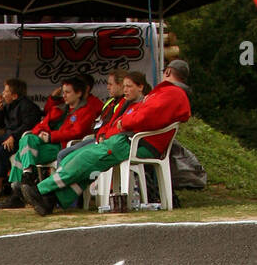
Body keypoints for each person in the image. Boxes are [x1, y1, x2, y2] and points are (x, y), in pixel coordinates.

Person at [22, 62, 191, 216]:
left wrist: (123, 122)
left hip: (135, 143)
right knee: (83, 162)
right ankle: (52, 200)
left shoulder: (170, 93)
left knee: (85, 158)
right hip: (130, 141)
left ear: (168, 71)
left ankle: (42, 190)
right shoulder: (169, 93)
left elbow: (145, 116)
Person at [0, 76, 102, 209]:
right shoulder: (58, 109)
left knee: (21, 153)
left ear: (79, 93)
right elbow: (40, 125)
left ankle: (18, 192)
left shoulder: (86, 110)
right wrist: (42, 133)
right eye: (63, 92)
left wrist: (51, 137)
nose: (64, 95)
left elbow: (76, 132)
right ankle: (27, 175)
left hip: (62, 146)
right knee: (27, 138)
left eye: (68, 92)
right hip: (45, 144)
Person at [0, 79, 43, 201]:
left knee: (0, 151)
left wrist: (14, 136)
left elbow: (29, 125)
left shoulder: (28, 107)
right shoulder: (8, 106)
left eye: (6, 91)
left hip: (21, 139)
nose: (2, 93)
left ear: (15, 95)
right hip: (7, 136)